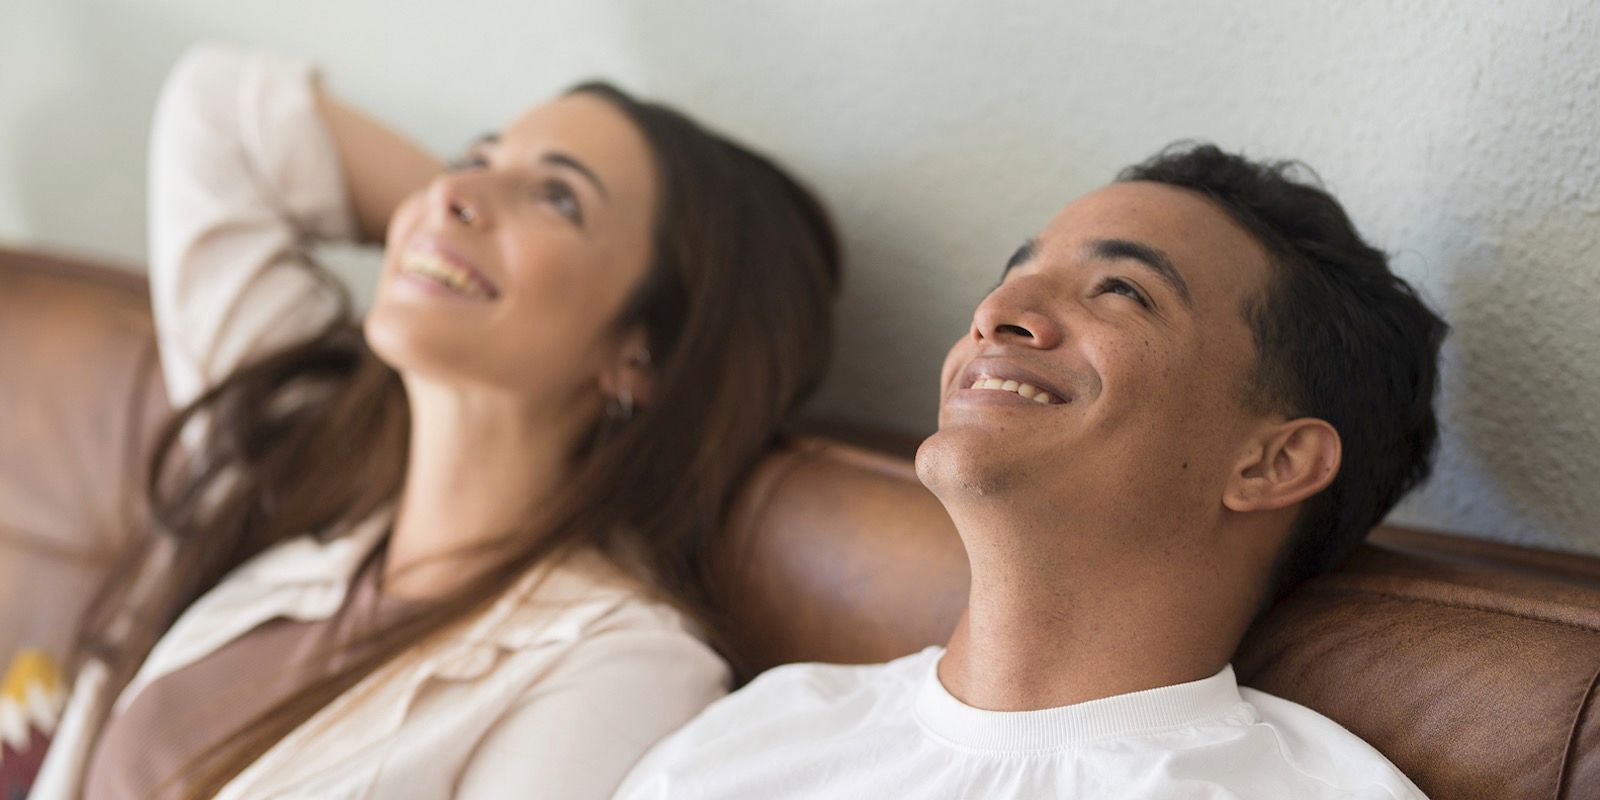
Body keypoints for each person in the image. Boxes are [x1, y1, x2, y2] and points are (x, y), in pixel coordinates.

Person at [31, 42, 839, 800]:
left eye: (559, 198)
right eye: (470, 161)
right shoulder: (299, 456)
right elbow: (220, 110)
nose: (452, 193)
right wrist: (451, 239)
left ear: (643, 353)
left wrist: (464, 251)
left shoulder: (618, 668)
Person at [616, 144, 1444, 799]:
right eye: (1013, 275)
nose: (994, 315)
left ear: (1271, 462)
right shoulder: (757, 736)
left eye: (1120, 289)